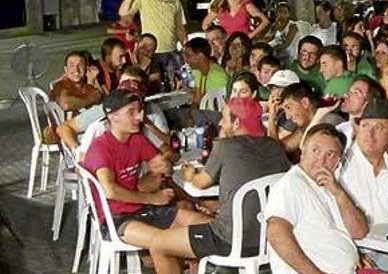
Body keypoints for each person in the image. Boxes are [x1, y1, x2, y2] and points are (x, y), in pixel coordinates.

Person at [146, 98, 290, 274]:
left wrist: (190, 175)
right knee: (189, 221)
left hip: (230, 239)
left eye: (224, 118)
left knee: (158, 244)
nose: (220, 123)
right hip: (270, 237)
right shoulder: (275, 147)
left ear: (237, 122)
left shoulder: (226, 147)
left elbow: (200, 183)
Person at [82, 89, 208, 252]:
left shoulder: (137, 139)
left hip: (143, 208)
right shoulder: (101, 148)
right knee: (173, 244)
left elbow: (164, 166)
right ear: (113, 117)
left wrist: (163, 167)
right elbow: (110, 191)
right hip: (115, 218)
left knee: (206, 227)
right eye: (131, 112)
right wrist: (152, 198)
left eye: (140, 111)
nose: (140, 117)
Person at [265, 124, 368, 274]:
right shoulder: (291, 185)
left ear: (338, 161)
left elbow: (359, 231)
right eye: (316, 151)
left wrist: (339, 194)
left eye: (330, 154)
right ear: (303, 150)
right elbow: (276, 233)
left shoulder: (331, 185)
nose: (321, 160)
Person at [118, 0, 187, 78]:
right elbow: (123, 12)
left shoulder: (176, 3)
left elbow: (180, 27)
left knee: (173, 83)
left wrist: (185, 46)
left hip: (171, 52)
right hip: (150, 54)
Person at [201, 0, 269, 39]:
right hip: (227, 44)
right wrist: (216, 37)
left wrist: (250, 36)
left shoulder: (245, 4)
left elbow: (265, 21)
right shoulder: (220, 7)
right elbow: (205, 24)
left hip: (243, 43)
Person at [267, 82, 316, 157]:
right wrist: (272, 118)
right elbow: (274, 151)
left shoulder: (329, 122)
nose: (288, 117)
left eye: (289, 107)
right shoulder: (305, 128)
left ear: (305, 103)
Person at [183, 37, 229, 107]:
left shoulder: (218, 76)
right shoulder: (197, 71)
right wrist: (190, 116)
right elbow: (196, 101)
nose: (186, 60)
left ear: (201, 56)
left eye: (188, 56)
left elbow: (220, 108)